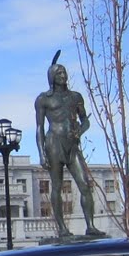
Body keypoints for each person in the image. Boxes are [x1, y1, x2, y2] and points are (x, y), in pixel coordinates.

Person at [34, 51, 101, 240]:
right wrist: (41, 154)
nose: (63, 76)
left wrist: (80, 130)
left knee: (84, 184)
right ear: (52, 77)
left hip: (72, 144)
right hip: (54, 143)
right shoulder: (44, 99)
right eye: (59, 73)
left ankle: (91, 226)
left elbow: (85, 120)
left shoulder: (75, 97)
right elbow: (39, 128)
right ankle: (62, 228)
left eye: (64, 72)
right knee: (56, 186)